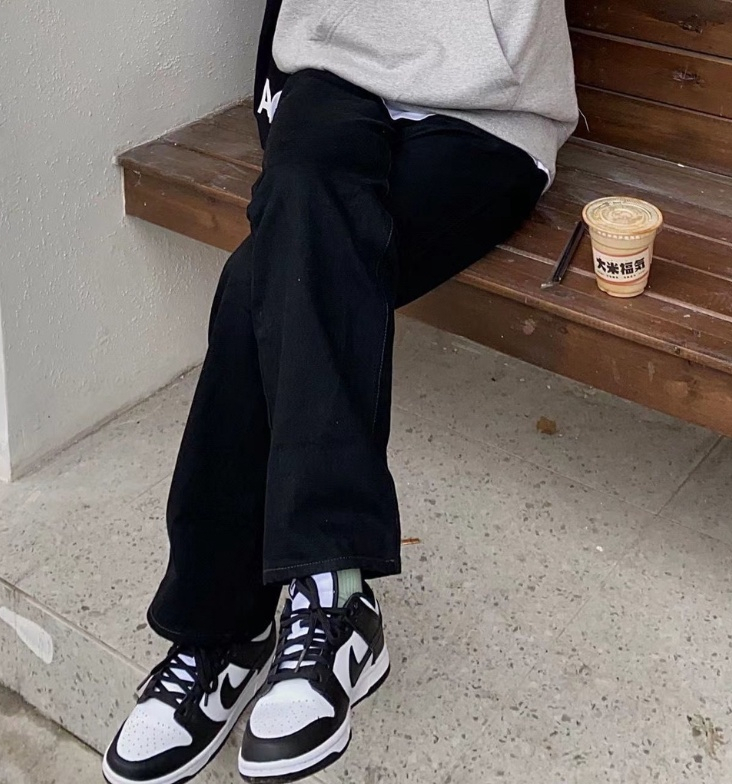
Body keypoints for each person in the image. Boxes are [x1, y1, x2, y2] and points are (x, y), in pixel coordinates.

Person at [102, 2, 578, 783]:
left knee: (263, 281)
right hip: (332, 72)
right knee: (294, 240)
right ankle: (332, 594)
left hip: (490, 111)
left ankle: (222, 629)